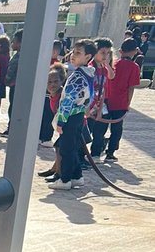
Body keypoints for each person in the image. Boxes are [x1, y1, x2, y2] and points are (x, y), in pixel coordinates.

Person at [53, 39, 97, 192]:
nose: (73, 55)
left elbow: (67, 100)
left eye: (78, 53)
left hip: (71, 116)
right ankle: (77, 176)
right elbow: (91, 96)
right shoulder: (89, 74)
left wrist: (61, 121)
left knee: (66, 148)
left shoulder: (77, 76)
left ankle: (65, 179)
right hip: (79, 115)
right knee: (73, 146)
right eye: (73, 52)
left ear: (87, 57)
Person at [90, 38, 141, 162]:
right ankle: (110, 153)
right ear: (135, 51)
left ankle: (95, 152)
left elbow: (110, 77)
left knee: (100, 128)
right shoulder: (134, 67)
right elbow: (131, 88)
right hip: (120, 103)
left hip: (105, 101)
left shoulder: (114, 63)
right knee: (116, 129)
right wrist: (128, 103)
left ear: (120, 51)